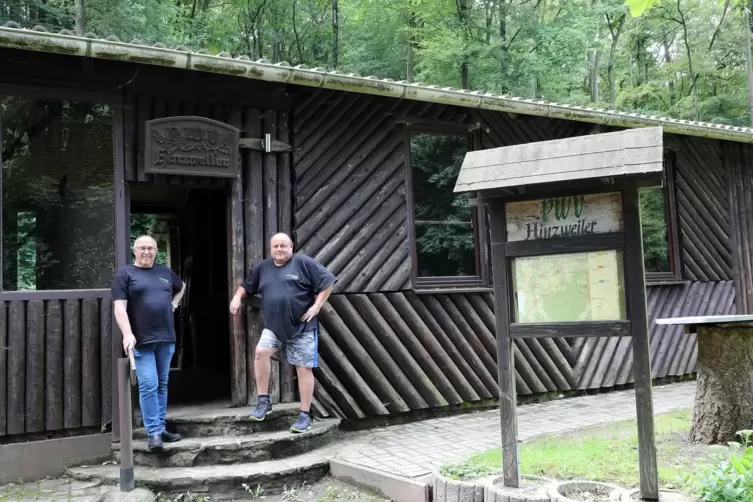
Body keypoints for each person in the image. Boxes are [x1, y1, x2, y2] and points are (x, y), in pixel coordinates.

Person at [229, 232, 336, 433]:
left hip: (303, 326)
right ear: (271, 248)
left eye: (283, 246)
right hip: (273, 326)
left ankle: (305, 415)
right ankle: (264, 401)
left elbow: (327, 282)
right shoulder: (263, 267)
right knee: (261, 353)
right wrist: (237, 298)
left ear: (291, 247)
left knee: (303, 368)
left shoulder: (303, 263)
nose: (279, 249)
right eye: (275, 246)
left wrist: (317, 306)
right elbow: (245, 286)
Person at [112, 235, 186, 452]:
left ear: (156, 251)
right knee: (148, 385)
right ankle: (153, 432)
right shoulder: (125, 274)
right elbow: (119, 308)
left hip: (166, 338)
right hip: (141, 340)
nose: (147, 252)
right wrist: (127, 333)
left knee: (162, 384)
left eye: (151, 248)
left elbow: (181, 286)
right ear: (135, 250)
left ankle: (160, 428)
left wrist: (174, 304)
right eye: (142, 248)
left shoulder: (164, 272)